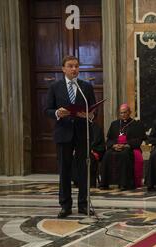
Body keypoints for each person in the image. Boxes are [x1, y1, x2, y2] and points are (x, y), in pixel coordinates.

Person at [45, 56, 96, 218]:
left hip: (82, 133)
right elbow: (47, 109)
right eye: (70, 66)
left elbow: (94, 110)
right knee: (64, 170)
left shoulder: (85, 87)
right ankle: (65, 205)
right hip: (63, 133)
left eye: (76, 66)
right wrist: (57, 113)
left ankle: (83, 204)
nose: (74, 69)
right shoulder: (55, 87)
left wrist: (89, 115)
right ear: (63, 69)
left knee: (83, 170)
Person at [99, 104, 146, 191]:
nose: (123, 114)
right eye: (121, 113)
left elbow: (139, 140)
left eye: (125, 112)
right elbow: (109, 140)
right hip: (115, 147)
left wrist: (126, 145)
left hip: (129, 148)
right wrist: (114, 145)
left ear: (130, 112)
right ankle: (104, 183)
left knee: (124, 155)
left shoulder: (136, 124)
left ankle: (124, 183)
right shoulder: (114, 124)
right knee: (107, 154)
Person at [72, 116, 106, 188]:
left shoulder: (97, 128)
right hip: (83, 149)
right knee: (75, 157)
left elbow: (96, 141)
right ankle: (77, 181)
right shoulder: (82, 127)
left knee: (89, 158)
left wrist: (89, 149)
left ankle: (90, 182)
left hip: (95, 150)